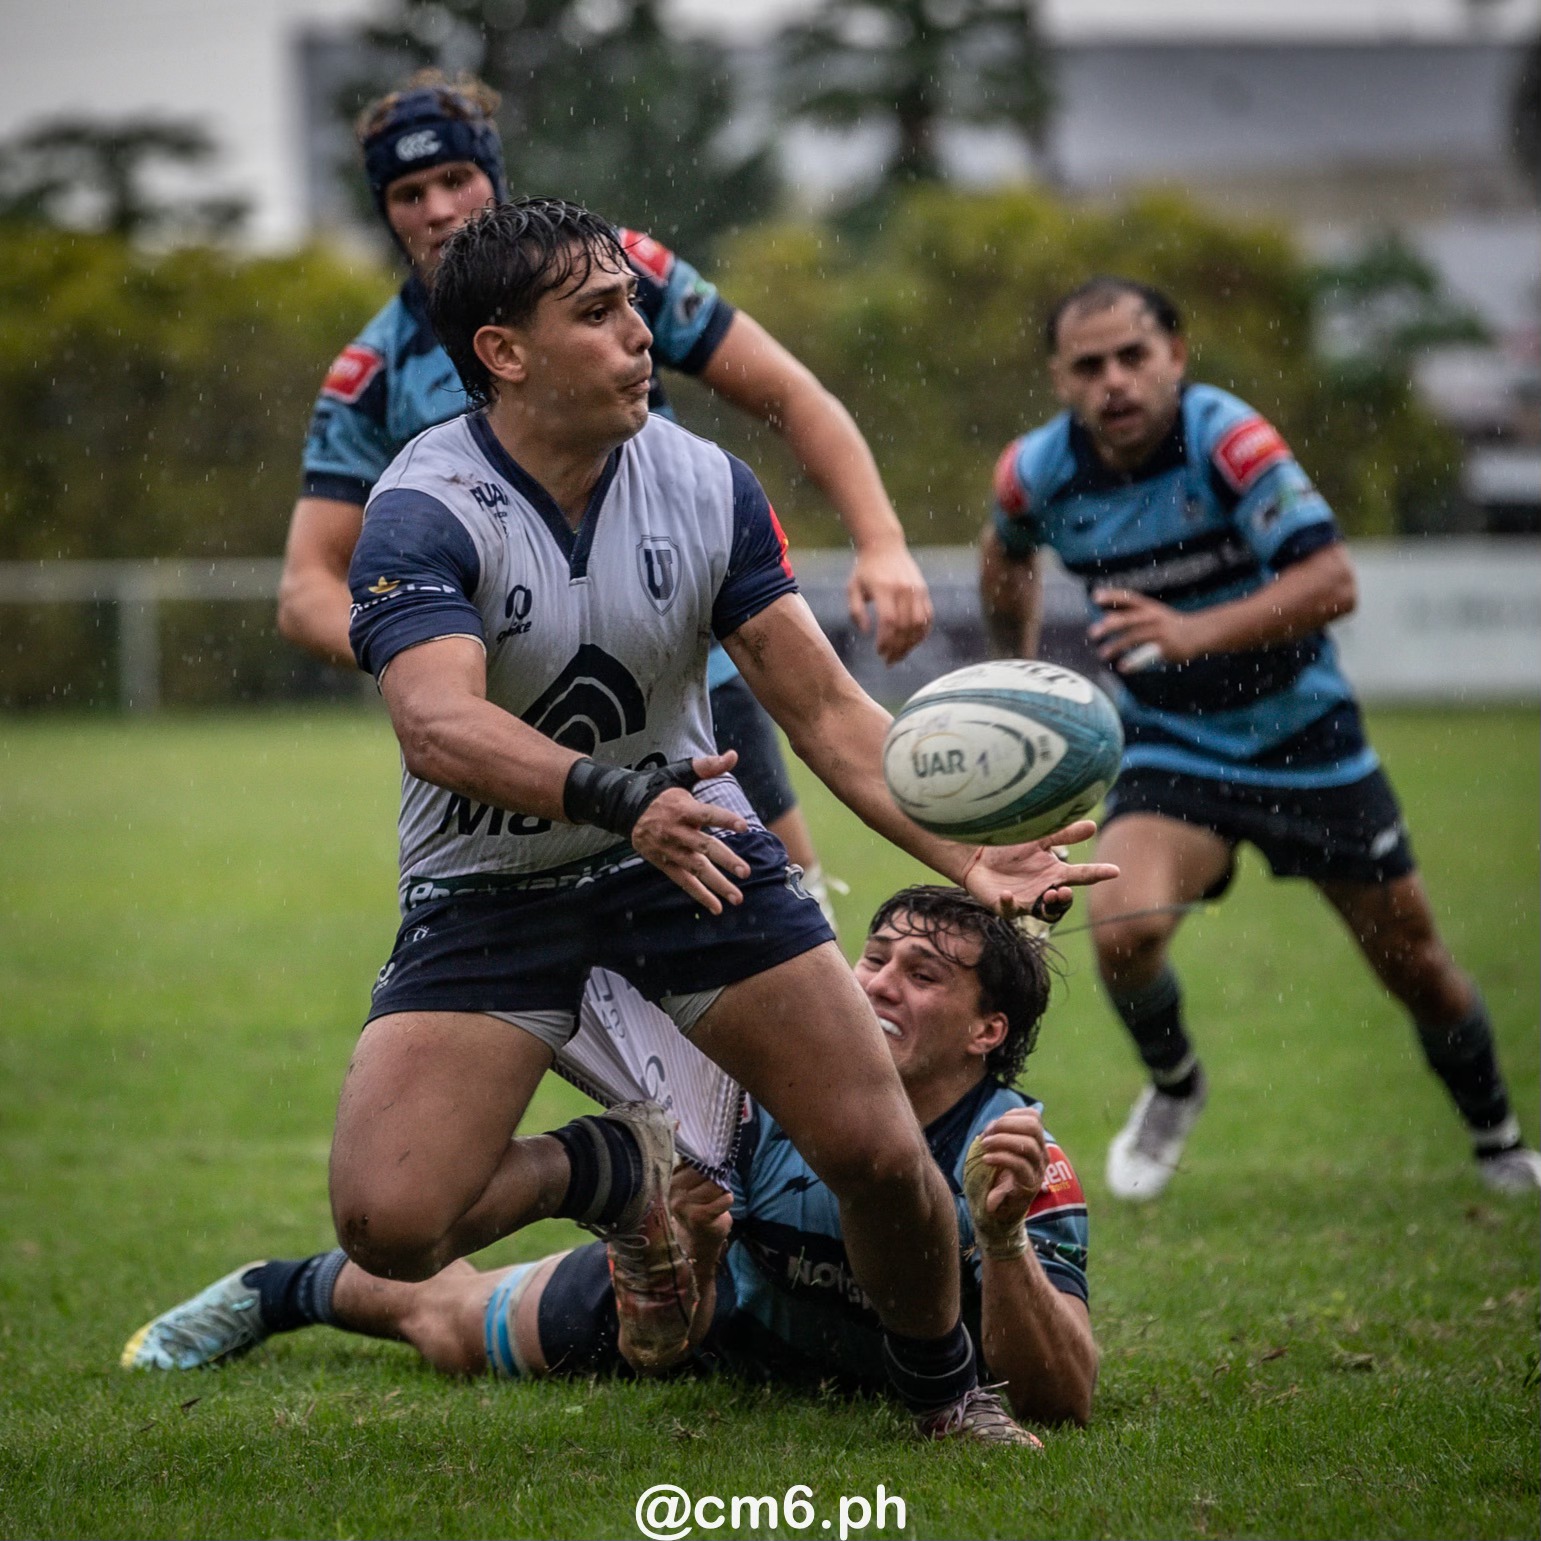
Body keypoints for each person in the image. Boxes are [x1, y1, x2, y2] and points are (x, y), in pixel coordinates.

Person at [316, 196, 1117, 1445]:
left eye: (634, 302)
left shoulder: (706, 486)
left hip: (683, 851)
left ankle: (941, 1395)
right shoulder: (423, 502)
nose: (640, 333)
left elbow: (828, 712)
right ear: (503, 352)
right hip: (492, 879)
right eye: (597, 312)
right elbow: (437, 726)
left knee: (873, 1148)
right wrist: (614, 795)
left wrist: (966, 854)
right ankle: (615, 1173)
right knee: (389, 1221)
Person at [278, 70, 934, 920]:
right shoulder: (372, 373)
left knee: (778, 916)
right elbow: (305, 591)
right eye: (409, 193)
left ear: (494, 174)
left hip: (687, 659)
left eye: (456, 178)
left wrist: (879, 539)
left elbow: (791, 393)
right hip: (513, 699)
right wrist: (438, 644)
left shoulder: (613, 270)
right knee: (553, 961)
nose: (438, 209)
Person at [123, 887, 1098, 1433]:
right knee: (449, 1323)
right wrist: (696, 1253)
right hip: (738, 1313)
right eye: (874, 957)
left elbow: (1061, 1396)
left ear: (987, 1030)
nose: (879, 982)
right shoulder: (766, 1091)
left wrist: (1001, 1239)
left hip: (890, 1347)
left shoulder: (1012, 1152)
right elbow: (664, 1337)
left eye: (920, 974)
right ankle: (275, 1288)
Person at [978, 275, 1541, 1201]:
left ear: (1176, 356)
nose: (1114, 380)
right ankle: (1173, 1085)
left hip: (1307, 739)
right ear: (1058, 378)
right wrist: (1012, 678)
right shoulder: (1033, 471)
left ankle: (1495, 1134)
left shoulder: (1227, 441)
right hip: (1171, 742)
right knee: (1122, 928)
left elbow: (1331, 580)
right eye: (1088, 365)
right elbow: (1005, 552)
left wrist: (1193, 630)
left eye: (1133, 356)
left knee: (1417, 967)